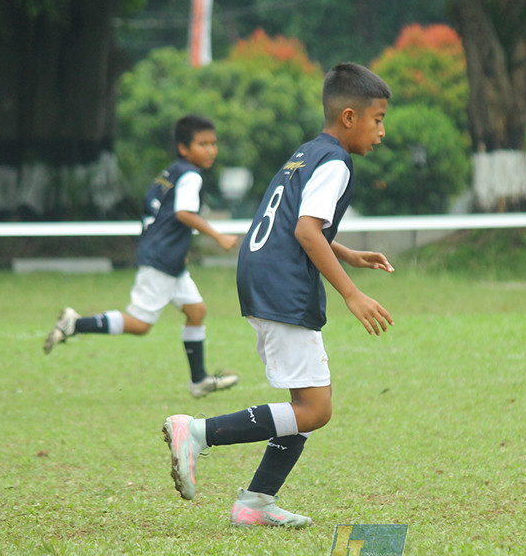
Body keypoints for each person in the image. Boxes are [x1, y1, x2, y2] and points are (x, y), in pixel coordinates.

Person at [162, 63, 394, 528]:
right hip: (284, 283)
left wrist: (346, 253)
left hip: (262, 274)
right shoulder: (336, 162)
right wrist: (351, 294)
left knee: (302, 405)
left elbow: (296, 222)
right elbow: (306, 230)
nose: (382, 132)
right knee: (315, 409)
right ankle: (199, 432)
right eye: (378, 119)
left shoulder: (307, 153)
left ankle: (257, 502)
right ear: (349, 117)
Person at [43, 114, 240, 400]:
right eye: (203, 144)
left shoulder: (170, 173)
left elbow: (153, 210)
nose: (211, 150)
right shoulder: (191, 176)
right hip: (162, 259)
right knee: (140, 324)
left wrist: (175, 249)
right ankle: (76, 324)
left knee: (196, 311)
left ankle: (199, 380)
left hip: (165, 257)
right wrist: (218, 236)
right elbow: (183, 214)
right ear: (183, 148)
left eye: (213, 143)